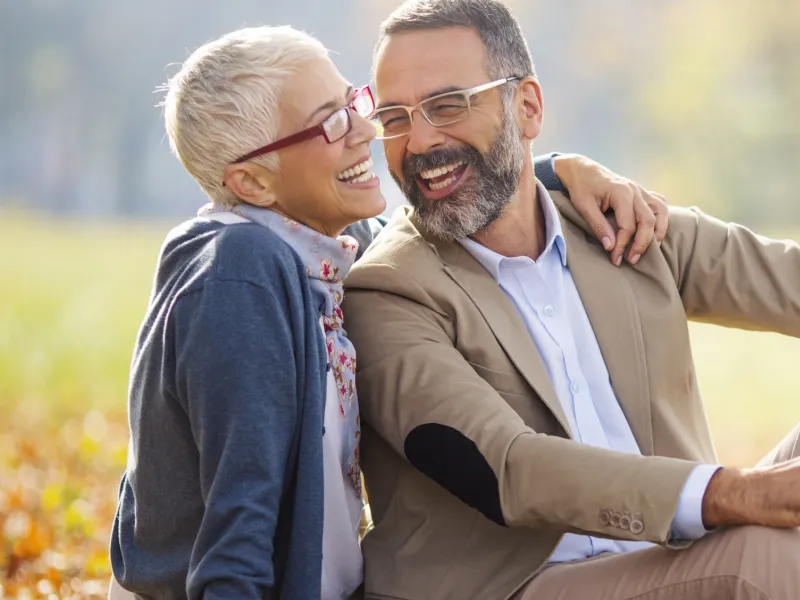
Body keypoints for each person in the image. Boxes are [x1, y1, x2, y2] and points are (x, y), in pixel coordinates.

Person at [107, 25, 666, 600]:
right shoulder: (240, 275)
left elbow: (442, 210)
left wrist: (557, 171)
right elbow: (236, 533)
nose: (367, 130)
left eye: (354, 103)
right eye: (330, 123)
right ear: (251, 180)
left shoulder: (324, 248)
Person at [341, 1, 800, 599]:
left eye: (448, 104)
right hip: (517, 586)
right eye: (396, 118)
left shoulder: (621, 221)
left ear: (526, 107)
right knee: (761, 556)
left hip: (672, 556)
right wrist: (737, 494)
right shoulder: (387, 290)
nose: (420, 141)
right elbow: (512, 469)